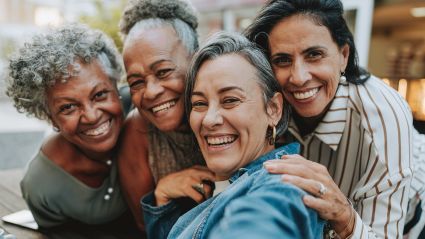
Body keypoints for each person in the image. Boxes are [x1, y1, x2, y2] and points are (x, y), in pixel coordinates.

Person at [244, 0, 413, 238]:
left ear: (343, 55)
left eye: (314, 54)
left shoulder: (382, 116)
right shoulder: (269, 103)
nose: (299, 77)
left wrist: (344, 216)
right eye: (282, 60)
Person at [141, 31, 324, 239]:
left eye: (230, 100)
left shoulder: (281, 186)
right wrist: (162, 201)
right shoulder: (218, 189)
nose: (209, 119)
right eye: (199, 103)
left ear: (273, 109)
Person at [5, 24, 128, 227]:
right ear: (50, 117)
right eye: (68, 107)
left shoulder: (144, 113)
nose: (91, 116)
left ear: (117, 87)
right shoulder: (42, 186)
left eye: (99, 95)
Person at [117, 0, 214, 230]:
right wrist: (162, 194)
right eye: (137, 82)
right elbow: (144, 226)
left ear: (196, 59)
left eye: (163, 72)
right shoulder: (137, 132)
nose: (151, 92)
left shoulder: (231, 111)